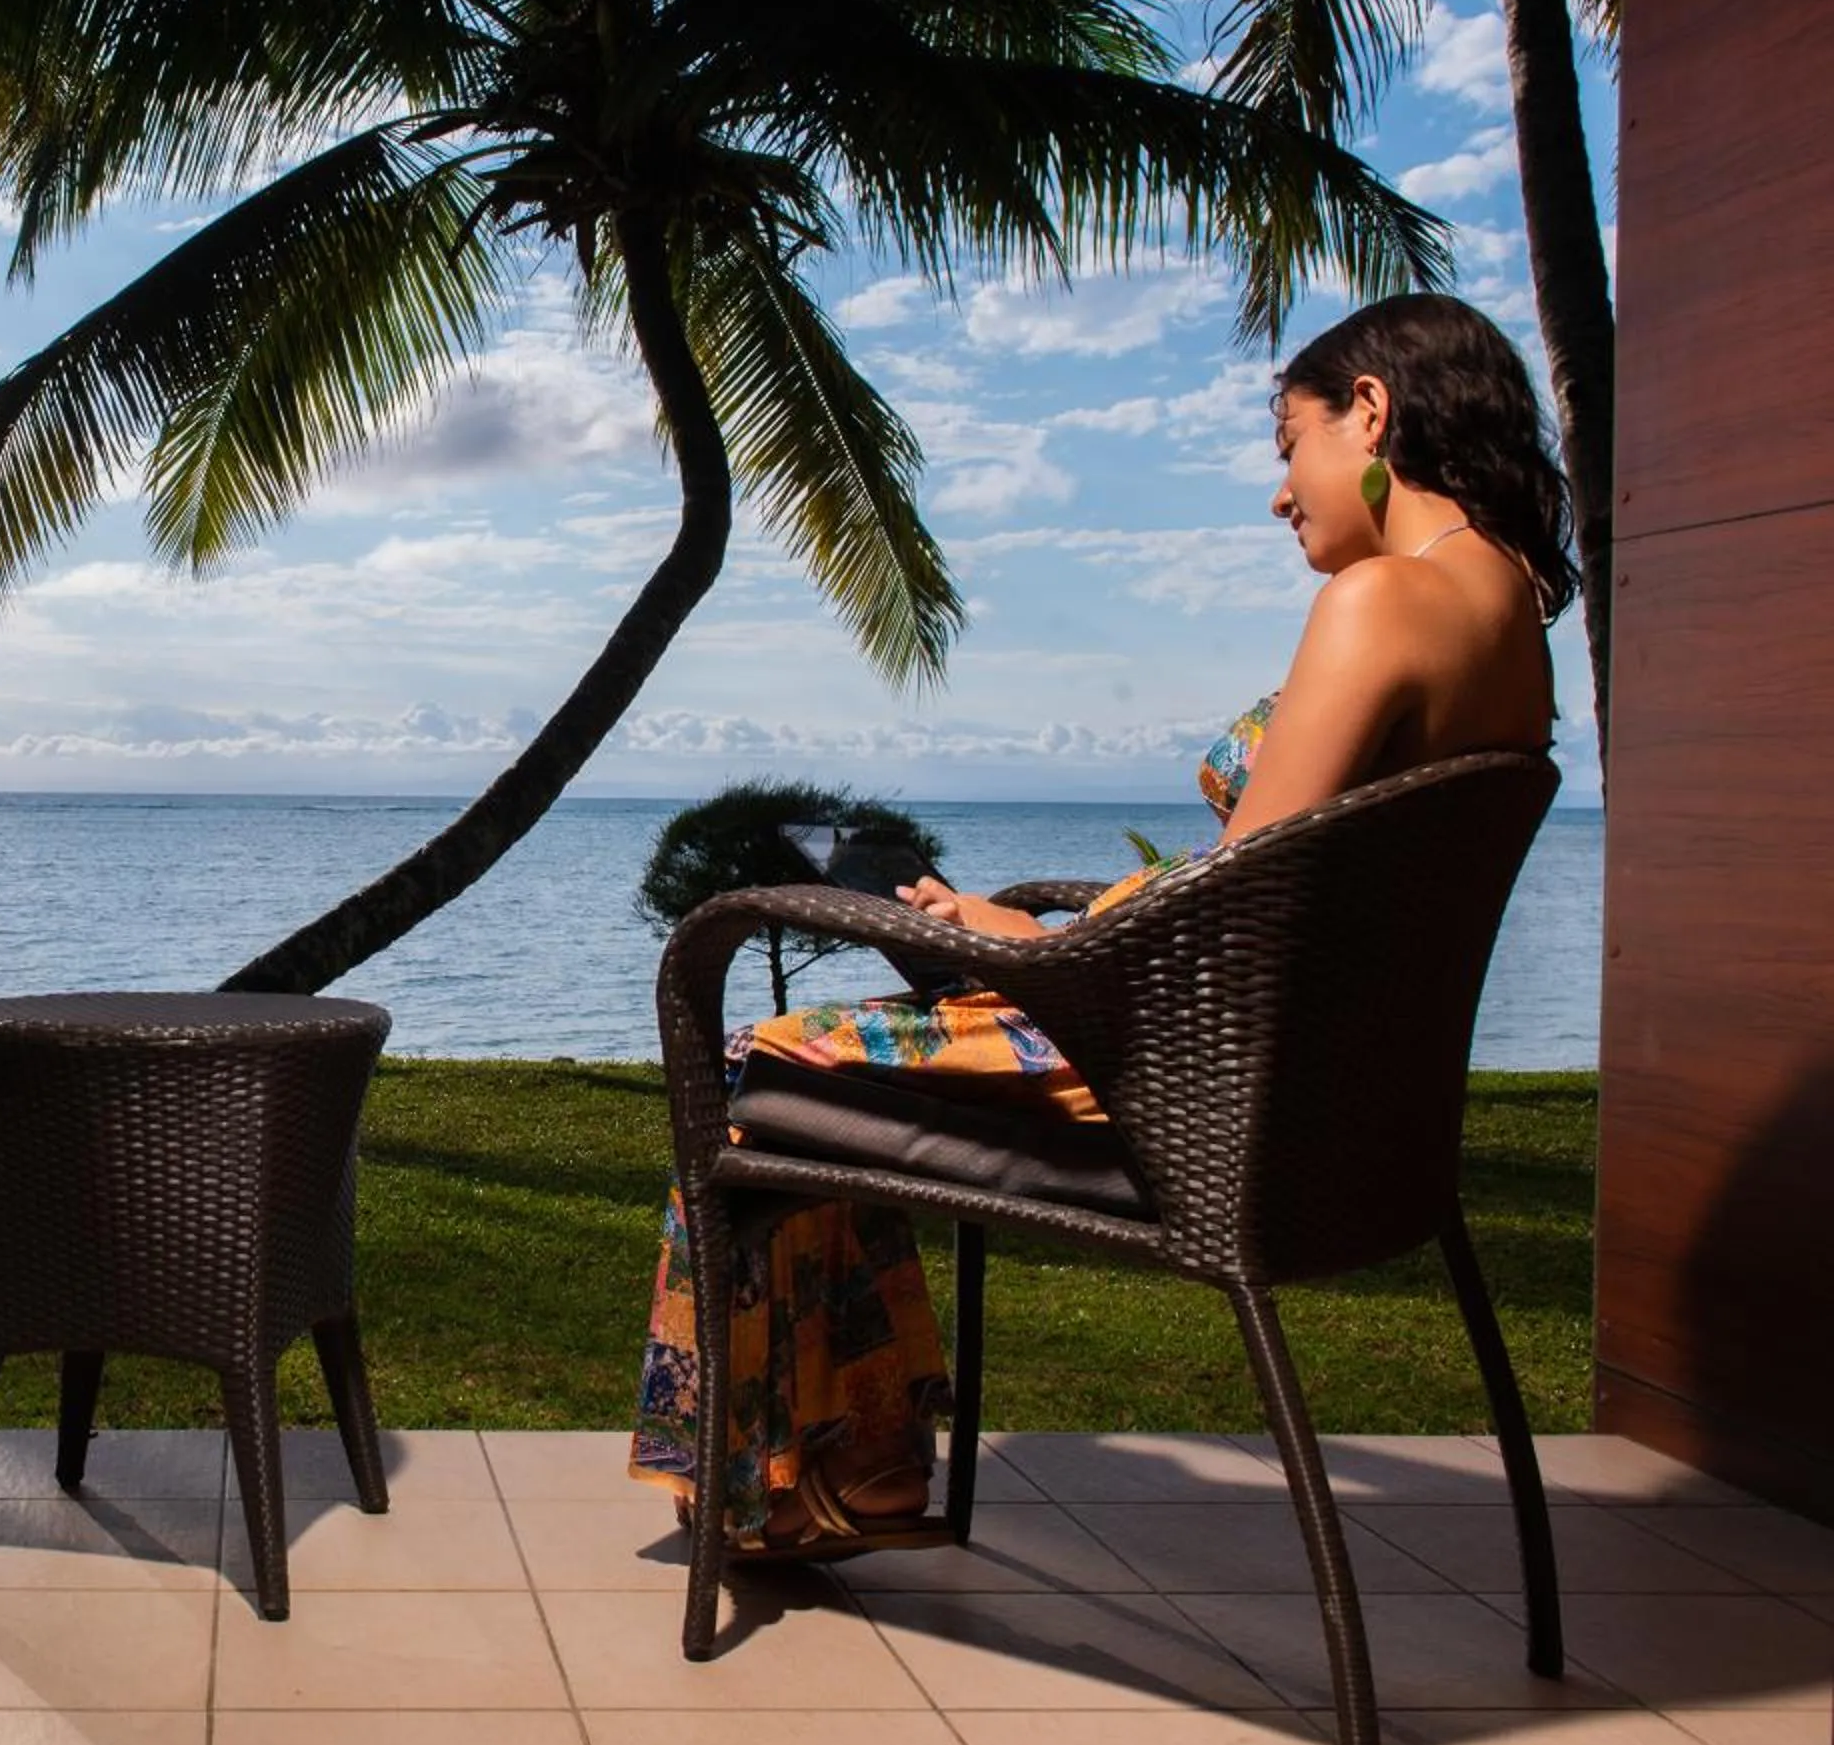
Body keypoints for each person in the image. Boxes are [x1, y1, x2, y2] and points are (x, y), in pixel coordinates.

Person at [628, 292, 1577, 1555]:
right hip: (1321, 1101)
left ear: (1371, 411)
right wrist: (1007, 925)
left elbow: (1226, 925)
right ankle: (858, 1466)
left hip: (1184, 1086)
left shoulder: (1384, 602)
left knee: (764, 1058)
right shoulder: (1509, 616)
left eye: (1287, 447)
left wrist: (1020, 949)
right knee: (859, 1029)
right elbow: (1290, 888)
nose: (1280, 494)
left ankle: (815, 1478)